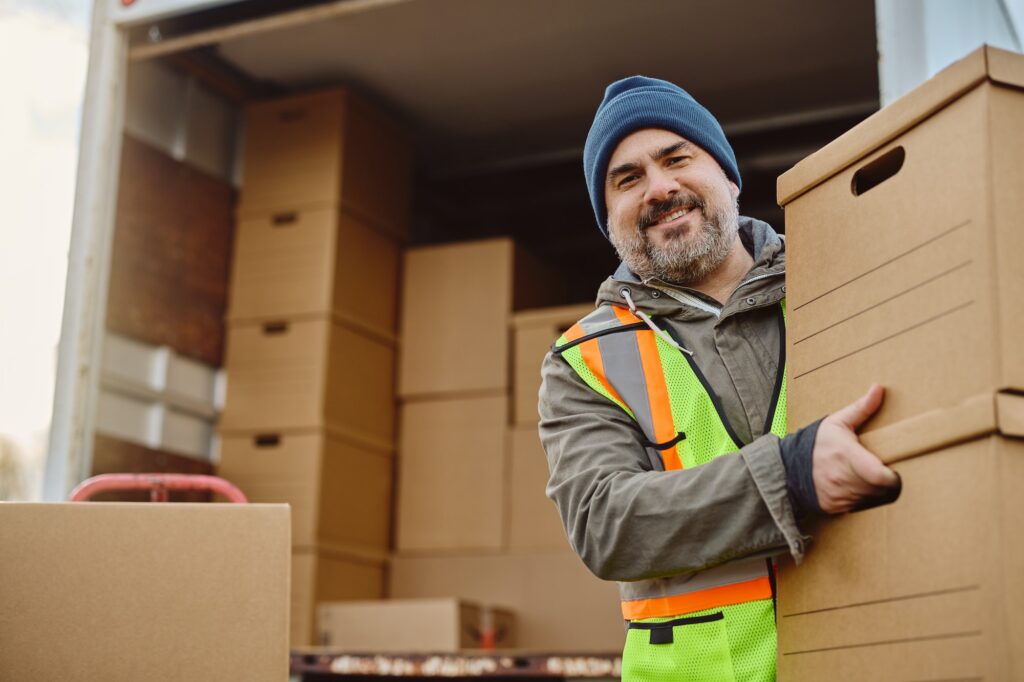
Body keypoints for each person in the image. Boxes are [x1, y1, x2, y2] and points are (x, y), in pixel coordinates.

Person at [537, 76, 902, 682]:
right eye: (627, 179)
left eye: (677, 157)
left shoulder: (846, 282)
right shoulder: (584, 358)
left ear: (729, 176)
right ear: (609, 220)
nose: (660, 187)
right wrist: (789, 477)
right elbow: (604, 522)